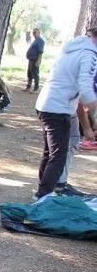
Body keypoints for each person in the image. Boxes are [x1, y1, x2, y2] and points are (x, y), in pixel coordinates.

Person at [33, 28, 97, 199]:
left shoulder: (71, 50)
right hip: (58, 108)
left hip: (47, 104)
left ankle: (42, 192)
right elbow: (86, 90)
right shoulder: (89, 55)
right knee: (58, 156)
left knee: (50, 153)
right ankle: (43, 196)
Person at [25, 28, 45, 93]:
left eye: (35, 33)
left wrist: (38, 61)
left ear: (39, 33)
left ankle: (36, 89)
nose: (34, 34)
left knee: (35, 74)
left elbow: (40, 52)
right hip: (31, 59)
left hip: (35, 59)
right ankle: (28, 87)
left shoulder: (40, 41)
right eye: (33, 33)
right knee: (29, 73)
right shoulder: (35, 40)